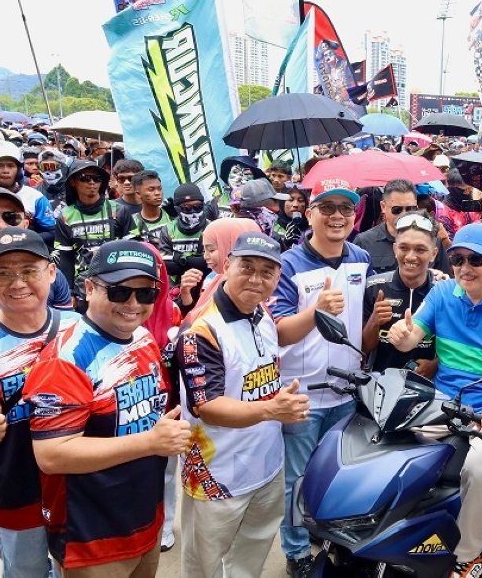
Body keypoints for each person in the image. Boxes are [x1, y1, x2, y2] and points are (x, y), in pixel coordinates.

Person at [23, 240, 192, 576]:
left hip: (145, 518)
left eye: (145, 293)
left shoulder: (142, 338)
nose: (132, 304)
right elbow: (52, 455)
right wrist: (151, 443)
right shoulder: (66, 359)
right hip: (92, 538)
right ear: (88, 287)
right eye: (118, 292)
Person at [388, 223, 482, 578]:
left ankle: (470, 554)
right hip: (441, 401)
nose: (465, 267)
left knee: (478, 470)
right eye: (457, 259)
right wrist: (400, 336)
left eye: (475, 259)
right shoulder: (441, 294)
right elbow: (410, 338)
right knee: (394, 446)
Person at [177, 232, 310, 578]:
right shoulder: (201, 328)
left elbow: (272, 344)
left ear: (278, 278)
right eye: (246, 267)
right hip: (215, 474)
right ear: (225, 266)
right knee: (203, 563)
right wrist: (272, 410)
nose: (256, 278)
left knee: (252, 553)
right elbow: (208, 406)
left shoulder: (260, 309)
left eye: (267, 271)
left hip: (266, 464)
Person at [0, 228, 82, 578]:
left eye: (29, 270)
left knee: (72, 568)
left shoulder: (80, 329)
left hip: (75, 483)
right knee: (25, 570)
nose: (18, 282)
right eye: (4, 273)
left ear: (52, 272)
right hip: (11, 485)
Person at [271, 179, 371, 578]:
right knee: (295, 480)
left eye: (345, 209)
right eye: (326, 208)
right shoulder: (289, 264)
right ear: (309, 213)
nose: (336, 216)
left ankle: (332, 539)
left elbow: (362, 322)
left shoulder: (362, 257)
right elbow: (277, 332)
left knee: (339, 476)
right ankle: (296, 552)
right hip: (301, 395)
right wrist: (316, 311)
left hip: (346, 391)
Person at [0, 187, 73, 330]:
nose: (0, 225)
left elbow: (67, 330)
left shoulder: (47, 271)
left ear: (25, 224)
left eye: (11, 217)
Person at [361, 212, 438, 375]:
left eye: (420, 249)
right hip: (378, 387)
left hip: (429, 389)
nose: (411, 256)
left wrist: (435, 365)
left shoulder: (442, 293)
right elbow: (364, 348)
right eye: (404, 248)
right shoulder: (373, 287)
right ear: (395, 249)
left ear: (433, 254)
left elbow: (455, 345)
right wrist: (374, 322)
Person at [53, 160, 121, 311]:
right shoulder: (65, 216)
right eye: (85, 178)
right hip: (83, 285)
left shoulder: (118, 210)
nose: (92, 182)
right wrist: (69, 292)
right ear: (72, 181)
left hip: (118, 281)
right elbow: (65, 257)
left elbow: (134, 246)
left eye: (97, 179)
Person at [353, 179, 450, 275]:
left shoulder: (432, 240)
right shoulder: (364, 242)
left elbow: (445, 280)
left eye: (409, 209)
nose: (404, 214)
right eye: (397, 209)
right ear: (383, 207)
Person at [0, 141, 57, 247]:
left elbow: (52, 232)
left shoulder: (36, 197)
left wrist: (20, 240)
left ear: (19, 169)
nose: (6, 171)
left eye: (11, 166)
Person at [159, 183, 208, 287]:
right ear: (177, 209)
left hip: (205, 284)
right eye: (186, 208)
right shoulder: (168, 229)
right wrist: (196, 262)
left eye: (198, 206)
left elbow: (213, 263)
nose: (193, 212)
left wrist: (179, 260)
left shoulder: (212, 227)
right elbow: (165, 265)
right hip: (176, 286)